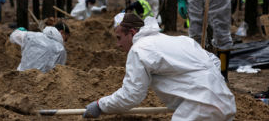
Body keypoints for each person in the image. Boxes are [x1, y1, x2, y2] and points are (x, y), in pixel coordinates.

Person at [83, 13, 236, 120]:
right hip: (226, 102)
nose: (118, 45)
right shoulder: (181, 40)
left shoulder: (139, 49)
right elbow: (214, 61)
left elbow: (131, 95)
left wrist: (100, 105)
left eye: (119, 38)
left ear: (131, 32)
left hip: (200, 107)